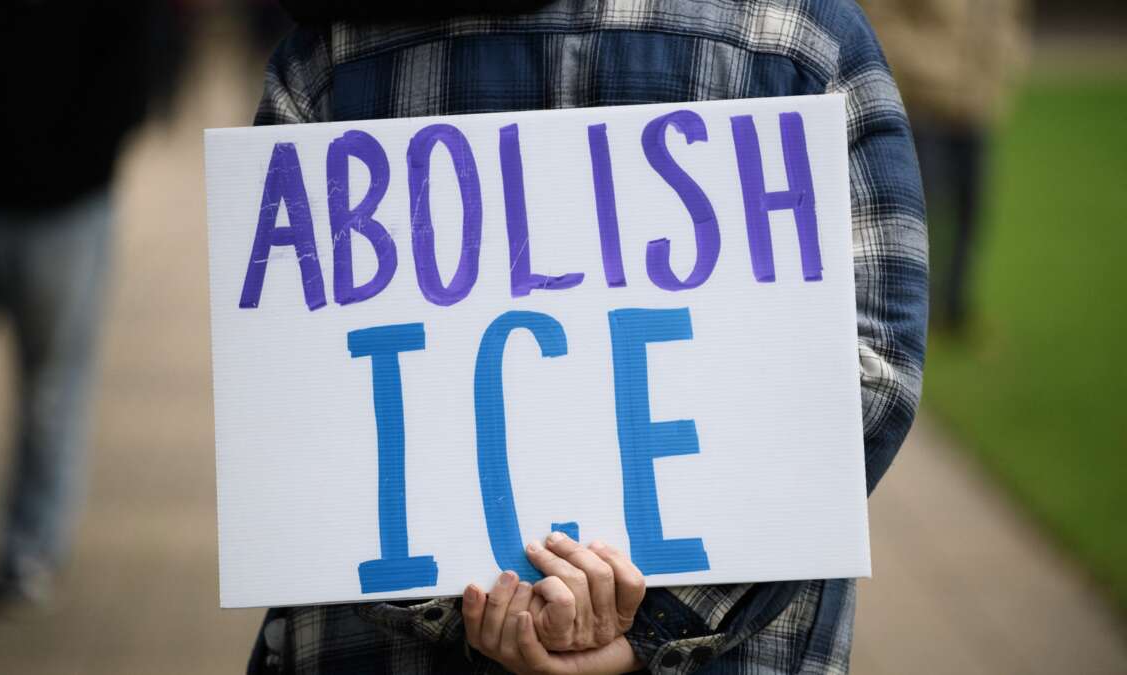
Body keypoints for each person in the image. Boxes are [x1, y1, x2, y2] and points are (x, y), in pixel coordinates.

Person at [247, 0, 928, 672]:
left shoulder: (329, 53)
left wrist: (478, 603)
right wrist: (663, 615)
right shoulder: (801, 30)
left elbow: (293, 397)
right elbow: (871, 369)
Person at [0, 3, 172, 611]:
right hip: (40, 199)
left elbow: (132, 64)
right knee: (52, 391)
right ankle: (30, 552)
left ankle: (29, 551)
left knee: (32, 391)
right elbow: (134, 62)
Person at [861, 0, 1028, 332]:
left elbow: (1008, 20)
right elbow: (876, 21)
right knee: (918, 216)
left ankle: (954, 309)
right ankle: (907, 312)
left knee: (971, 211)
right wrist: (933, 69)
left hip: (974, 108)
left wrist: (1003, 67)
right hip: (923, 105)